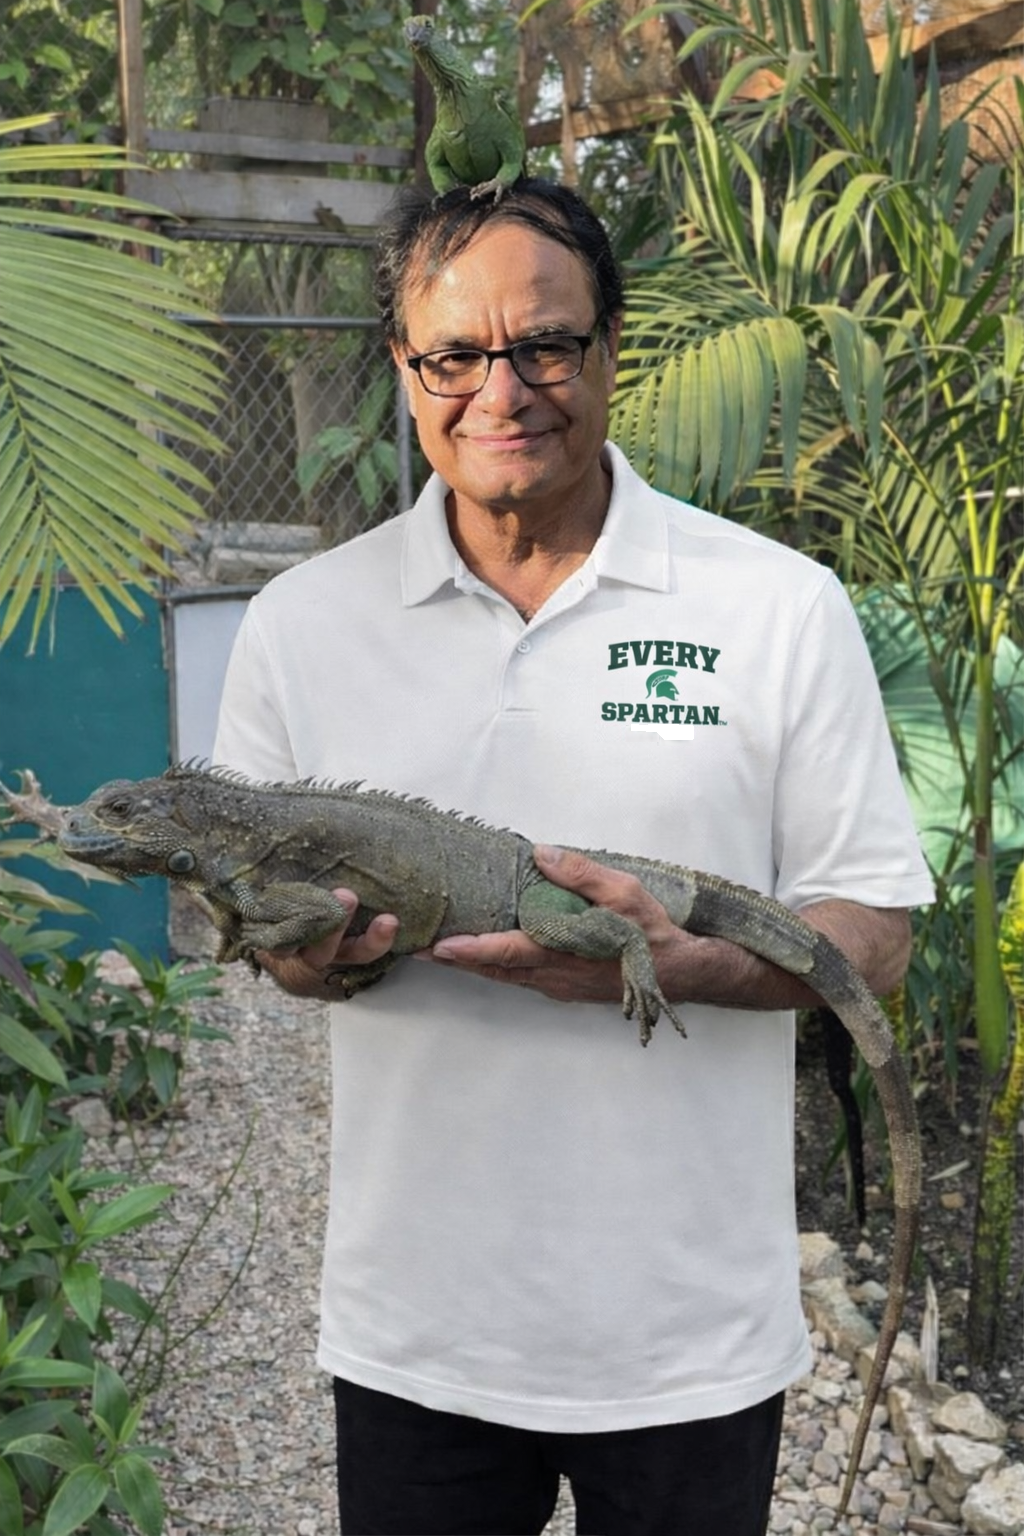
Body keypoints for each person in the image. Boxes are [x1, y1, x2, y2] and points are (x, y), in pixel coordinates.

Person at [214, 179, 933, 1536]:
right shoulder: (302, 625)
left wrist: (687, 964)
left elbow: (876, 931)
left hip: (688, 1335)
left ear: (610, 348)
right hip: (415, 1328)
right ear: (403, 371)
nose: (504, 389)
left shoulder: (776, 606)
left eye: (546, 344)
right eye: (456, 355)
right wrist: (312, 960)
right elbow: (274, 953)